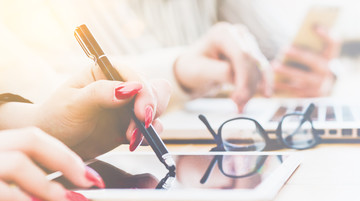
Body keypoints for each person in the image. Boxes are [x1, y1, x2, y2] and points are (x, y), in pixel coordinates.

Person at [0, 0, 340, 113]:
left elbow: (273, 54)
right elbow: (36, 92)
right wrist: (178, 70)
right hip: (115, 160)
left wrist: (313, 73)